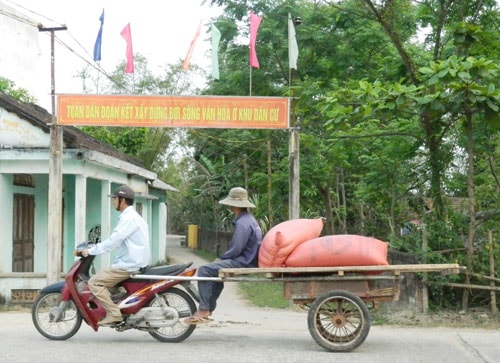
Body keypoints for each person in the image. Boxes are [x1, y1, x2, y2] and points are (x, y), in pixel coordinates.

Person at [184, 187, 262, 324]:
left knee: (204, 270)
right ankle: (208, 308)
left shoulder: (242, 223)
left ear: (233, 206)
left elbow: (237, 248)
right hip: (250, 259)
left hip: (244, 261)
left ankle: (204, 308)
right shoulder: (249, 219)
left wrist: (223, 258)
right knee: (215, 273)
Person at [81, 184, 150, 326]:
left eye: (115, 199)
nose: (113, 202)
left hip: (129, 264)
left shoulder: (128, 218)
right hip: (133, 261)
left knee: (95, 282)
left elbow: (113, 241)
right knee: (107, 276)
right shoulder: (134, 216)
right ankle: (117, 306)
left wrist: (91, 251)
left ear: (122, 200)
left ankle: (114, 313)